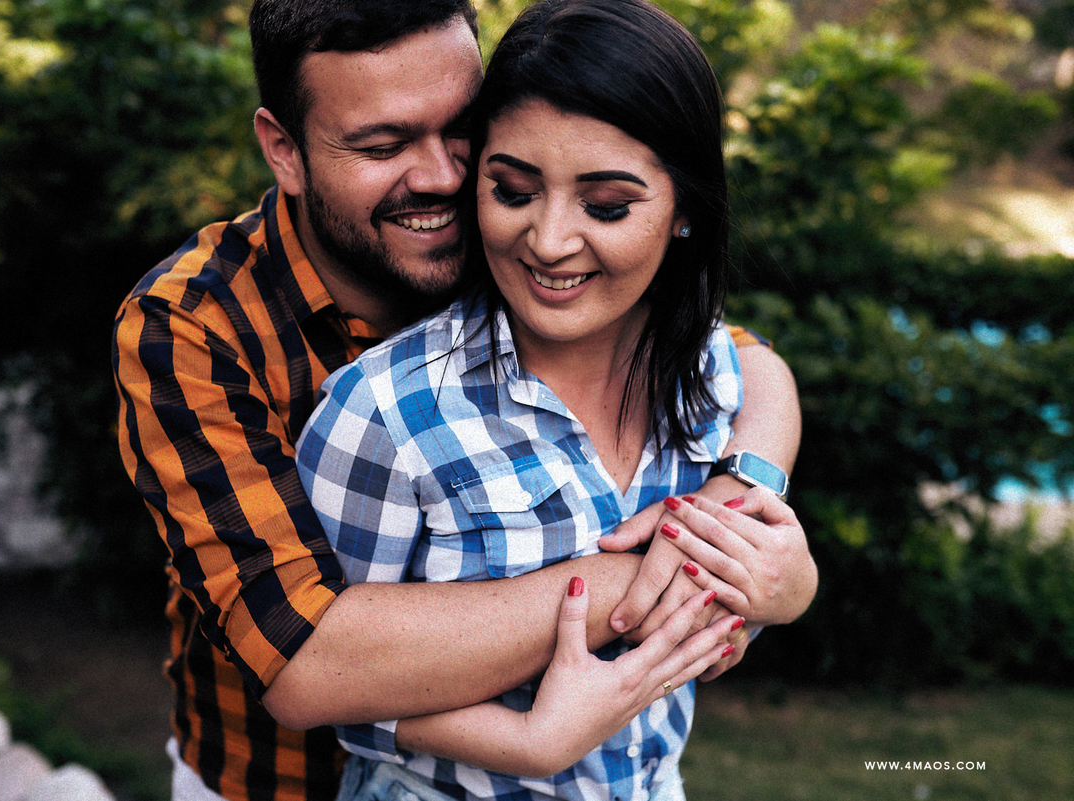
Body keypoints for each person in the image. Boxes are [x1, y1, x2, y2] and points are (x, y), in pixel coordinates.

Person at [111, 1, 815, 800]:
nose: (442, 177)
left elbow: (739, 357)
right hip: (271, 779)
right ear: (285, 150)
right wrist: (670, 571)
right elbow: (305, 657)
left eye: (462, 131)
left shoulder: (520, 246)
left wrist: (743, 493)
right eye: (383, 145)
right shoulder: (195, 326)